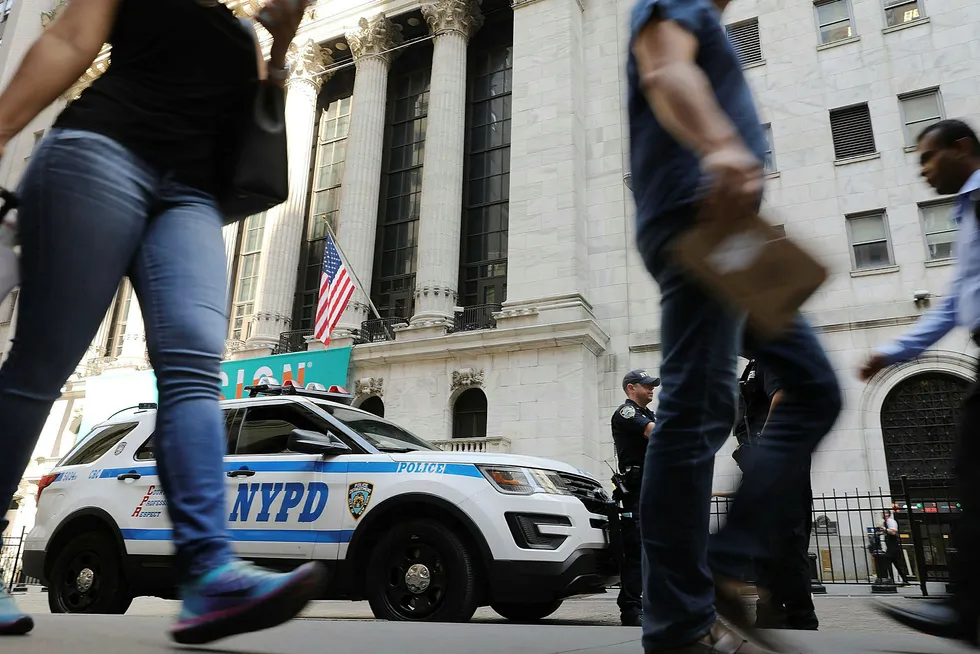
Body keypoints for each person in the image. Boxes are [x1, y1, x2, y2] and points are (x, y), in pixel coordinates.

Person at [0, 0, 325, 644]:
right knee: (43, 364)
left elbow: (257, 109)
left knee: (197, 369)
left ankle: (210, 574)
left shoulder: (239, 28)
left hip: (189, 198)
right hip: (100, 154)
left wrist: (282, 40)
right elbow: (69, 40)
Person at [626, 0, 843, 651]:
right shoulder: (674, 3)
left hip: (723, 226)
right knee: (695, 407)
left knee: (811, 386)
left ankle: (727, 559)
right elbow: (663, 68)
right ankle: (679, 622)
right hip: (705, 220)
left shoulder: (704, 18)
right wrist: (721, 145)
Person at [858, 119, 980, 647]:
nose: (923, 171)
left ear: (962, 148)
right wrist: (892, 352)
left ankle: (964, 609)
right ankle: (965, 608)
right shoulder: (966, 213)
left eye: (928, 158)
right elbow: (954, 302)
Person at [734, 358, 818, 632]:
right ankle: (771, 614)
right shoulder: (754, 365)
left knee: (786, 540)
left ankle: (800, 618)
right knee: (764, 542)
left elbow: (783, 395)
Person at [611, 369, 661, 627]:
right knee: (637, 549)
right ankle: (631, 609)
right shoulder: (627, 412)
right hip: (638, 488)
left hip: (654, 488)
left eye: (653, 385)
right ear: (631, 388)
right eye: (646, 385)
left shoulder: (649, 414)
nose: (652, 389)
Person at [880, 510, 909, 586]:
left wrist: (885, 529)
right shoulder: (886, 522)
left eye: (883, 513)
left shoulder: (890, 521)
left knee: (888, 562)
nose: (881, 515)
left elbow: (893, 532)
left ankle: (891, 580)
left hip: (893, 546)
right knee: (896, 564)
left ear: (887, 514)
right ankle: (904, 580)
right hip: (890, 546)